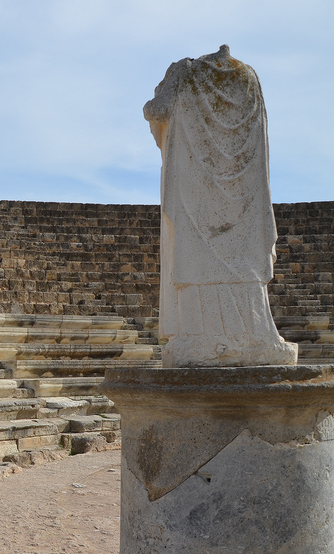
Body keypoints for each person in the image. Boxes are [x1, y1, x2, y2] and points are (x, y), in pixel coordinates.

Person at [144, 44, 296, 367]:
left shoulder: (183, 73)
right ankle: (256, 335)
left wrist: (151, 101)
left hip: (195, 196)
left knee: (195, 260)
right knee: (242, 264)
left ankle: (201, 335)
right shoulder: (249, 79)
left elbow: (158, 110)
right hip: (244, 201)